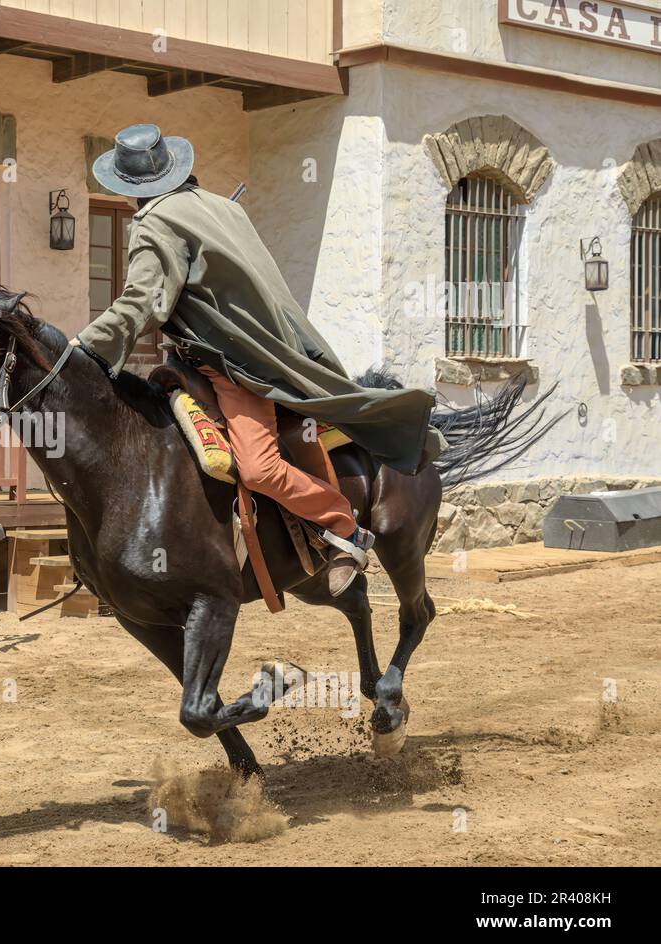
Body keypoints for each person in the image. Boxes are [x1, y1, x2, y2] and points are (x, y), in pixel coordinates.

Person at [76, 124, 446, 597]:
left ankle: (344, 529)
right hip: (250, 353)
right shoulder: (226, 208)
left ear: (128, 189)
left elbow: (143, 303)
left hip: (235, 367)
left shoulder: (154, 223)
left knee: (259, 469)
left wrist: (87, 349)